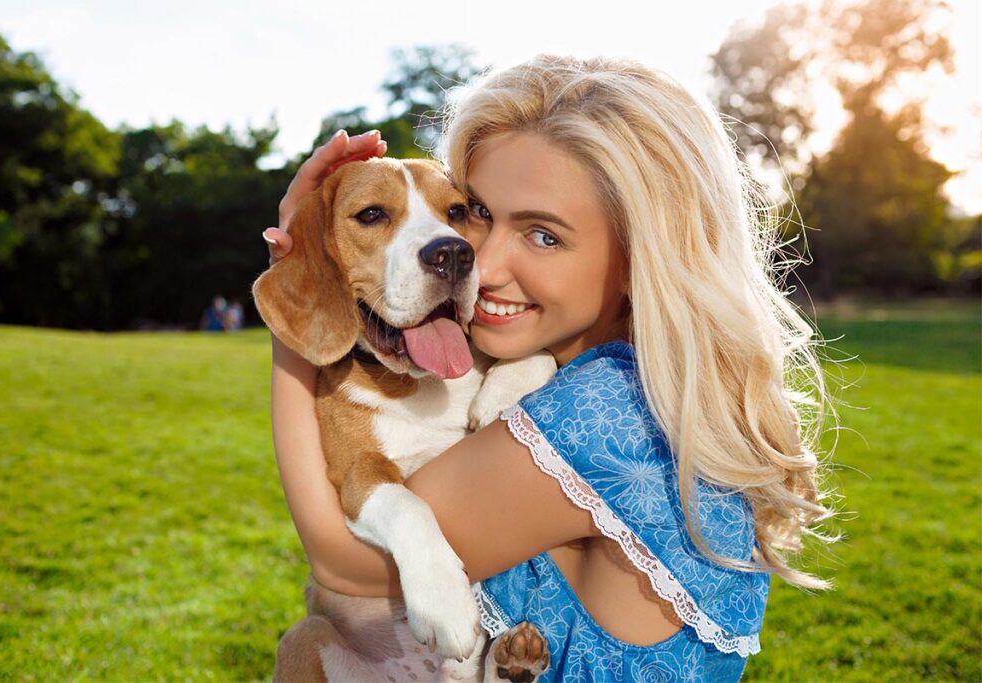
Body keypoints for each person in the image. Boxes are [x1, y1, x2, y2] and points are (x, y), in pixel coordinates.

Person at [263, 55, 836, 681]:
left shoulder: (601, 417)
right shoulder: (633, 387)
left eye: (544, 235)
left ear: (642, 257)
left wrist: (292, 324)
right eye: (478, 213)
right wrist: (309, 278)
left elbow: (343, 563)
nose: (482, 261)